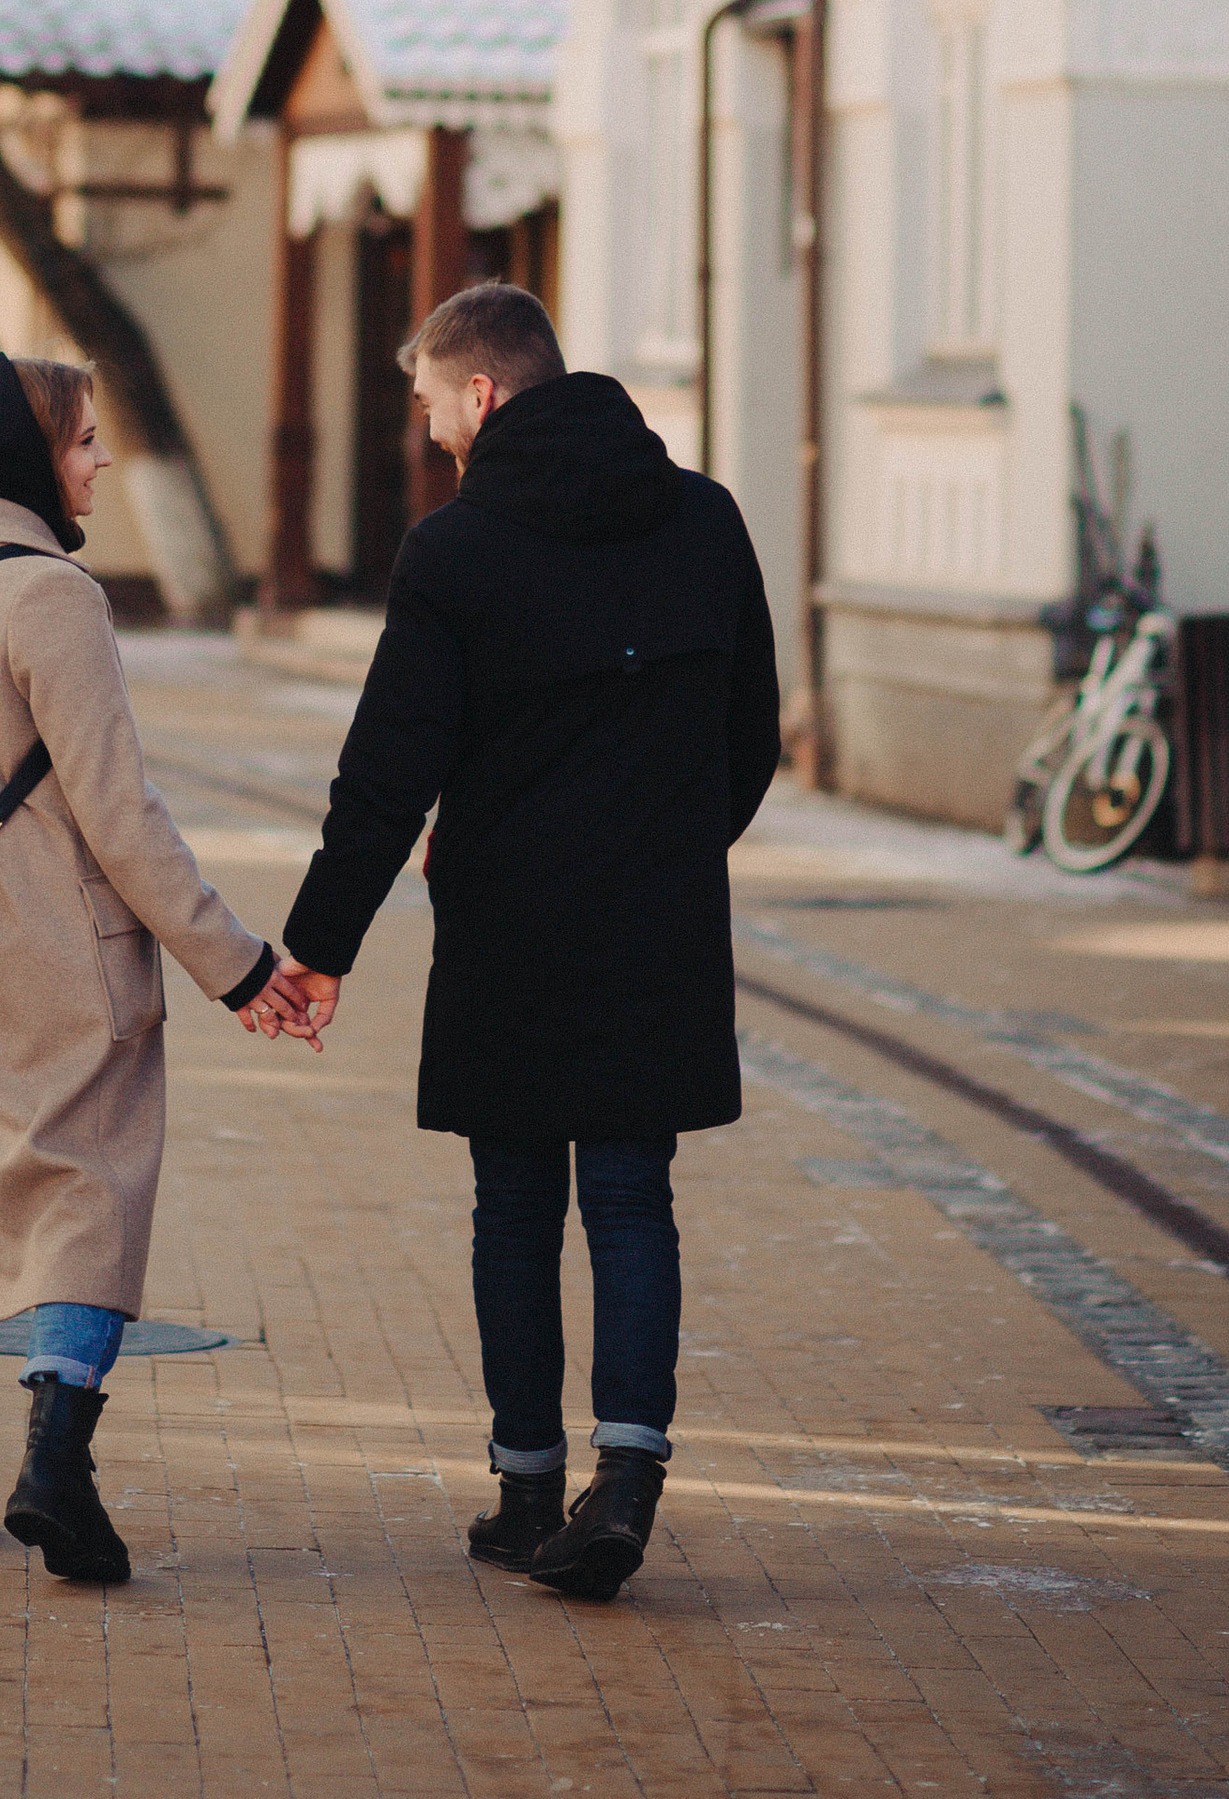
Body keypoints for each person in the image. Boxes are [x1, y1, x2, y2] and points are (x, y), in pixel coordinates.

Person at [275, 281, 781, 1605]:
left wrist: (320, 945)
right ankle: (629, 1478)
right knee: (631, 1196)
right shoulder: (706, 519)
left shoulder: (456, 551)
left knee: (515, 1207)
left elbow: (387, 772)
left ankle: (524, 1491)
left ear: (483, 392)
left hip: (508, 925)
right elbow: (751, 736)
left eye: (431, 403)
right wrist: (668, 845)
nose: (430, 430)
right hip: (659, 922)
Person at [0, 349, 320, 1585]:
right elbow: (119, 815)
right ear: (25, 455)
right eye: (80, 439)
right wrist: (237, 966)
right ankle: (55, 1469)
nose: (102, 460)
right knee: (87, 1189)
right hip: (48, 949)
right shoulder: (49, 595)